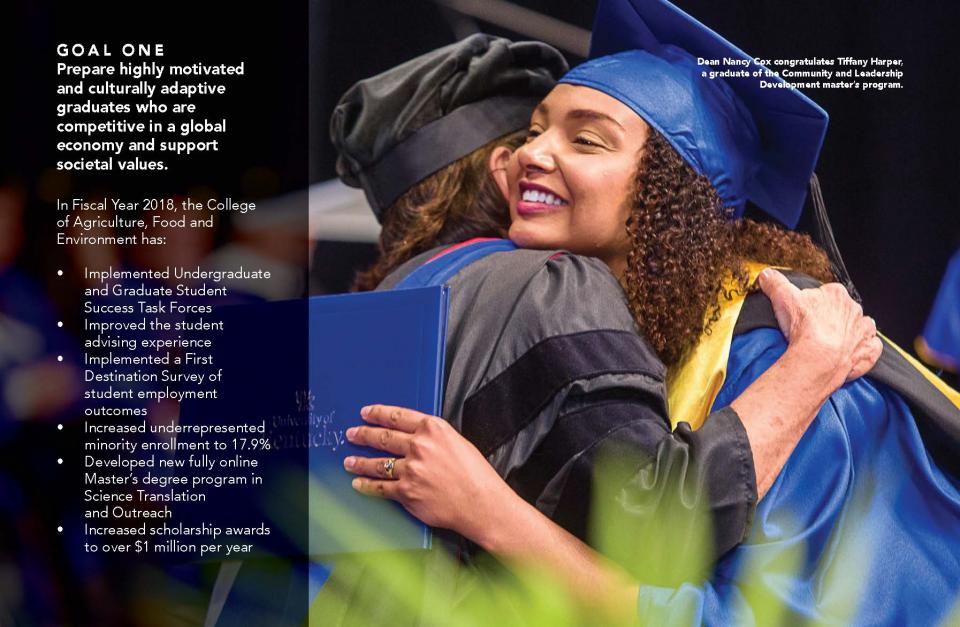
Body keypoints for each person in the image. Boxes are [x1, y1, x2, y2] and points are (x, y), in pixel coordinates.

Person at [342, 0, 960, 624]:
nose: (528, 155)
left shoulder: (792, 367)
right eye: (535, 131)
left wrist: (489, 512)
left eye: (584, 139)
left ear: (670, 191)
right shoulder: (619, 343)